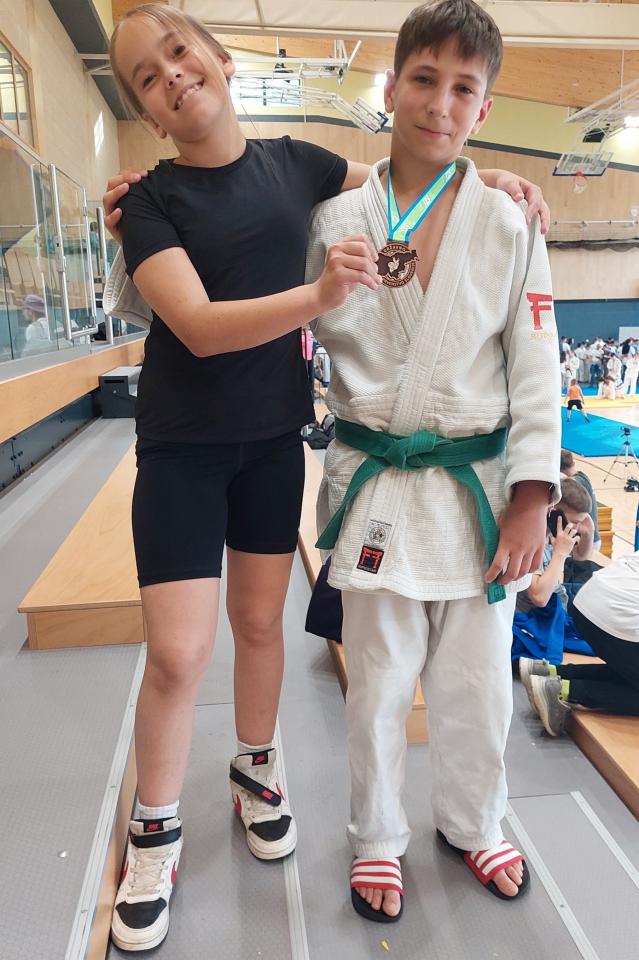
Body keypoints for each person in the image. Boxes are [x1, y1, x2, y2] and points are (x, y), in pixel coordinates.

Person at [101, 2, 551, 951]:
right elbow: (207, 313)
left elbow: (413, 187)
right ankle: (196, 829)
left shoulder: (317, 173)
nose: (172, 73)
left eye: (180, 51)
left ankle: (381, 798)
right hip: (241, 454)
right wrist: (314, 291)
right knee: (252, 665)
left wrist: (532, 493)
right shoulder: (190, 204)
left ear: (218, 57)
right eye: (147, 75)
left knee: (437, 672)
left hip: (341, 456)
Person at [305, 0, 561, 921]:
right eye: (423, 79)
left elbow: (536, 363)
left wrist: (532, 497)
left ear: (483, 109)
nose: (439, 104)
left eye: (462, 89)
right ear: (389, 87)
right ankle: (376, 837)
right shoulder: (334, 216)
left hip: (478, 494)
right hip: (377, 485)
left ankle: (473, 820)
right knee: (376, 684)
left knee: (477, 686)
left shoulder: (507, 222)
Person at [520, 551, 639, 735]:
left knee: (631, 672)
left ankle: (550, 672)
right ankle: (563, 691)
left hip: (588, 599)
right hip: (617, 614)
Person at [516, 477, 594, 617]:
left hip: (557, 608)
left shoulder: (553, 535)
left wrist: (589, 532)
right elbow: (539, 598)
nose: (576, 529)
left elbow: (581, 557)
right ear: (553, 513)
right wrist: (560, 553)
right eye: (574, 522)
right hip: (536, 619)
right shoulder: (528, 539)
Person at [559, 449, 600, 551]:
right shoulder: (581, 477)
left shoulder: (575, 482)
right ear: (573, 463)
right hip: (586, 536)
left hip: (588, 539)